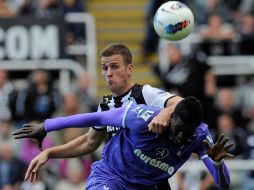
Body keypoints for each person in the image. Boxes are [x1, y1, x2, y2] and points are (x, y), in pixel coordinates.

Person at [13, 43, 182, 189]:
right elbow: (89, 142)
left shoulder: (145, 93)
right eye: (105, 68)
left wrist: (166, 112)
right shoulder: (106, 105)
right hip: (117, 179)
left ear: (129, 69)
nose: (108, 73)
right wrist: (50, 152)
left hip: (150, 181)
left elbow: (182, 104)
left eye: (114, 66)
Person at [13, 97, 233, 190]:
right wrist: (48, 125)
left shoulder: (201, 136)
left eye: (188, 133)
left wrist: (217, 163)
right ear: (170, 117)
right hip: (111, 176)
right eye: (179, 129)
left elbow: (223, 184)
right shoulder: (141, 116)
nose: (182, 137)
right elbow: (97, 119)